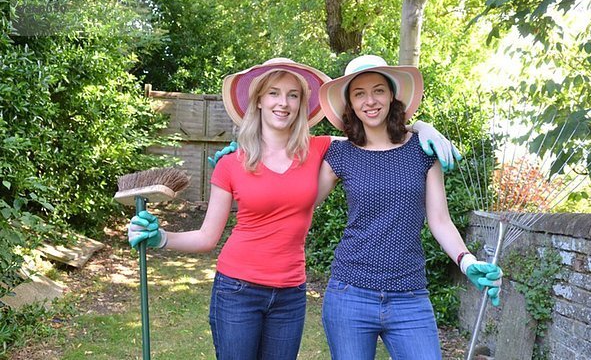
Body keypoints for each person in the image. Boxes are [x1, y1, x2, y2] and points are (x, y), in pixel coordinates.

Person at [127, 58, 460, 360]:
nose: (282, 103)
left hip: (290, 293)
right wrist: (161, 239)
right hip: (238, 289)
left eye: (292, 95)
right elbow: (206, 237)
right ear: (258, 100)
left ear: (302, 104)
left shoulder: (320, 149)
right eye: (273, 93)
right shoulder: (229, 163)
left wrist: (423, 128)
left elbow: (379, 137)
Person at [314, 55, 503, 360]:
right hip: (349, 294)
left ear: (392, 96)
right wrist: (246, 166)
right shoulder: (341, 155)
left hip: (409, 297)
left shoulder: (423, 149)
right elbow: (297, 203)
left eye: (378, 90)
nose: (370, 100)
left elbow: (440, 221)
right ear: (350, 103)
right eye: (359, 93)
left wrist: (466, 262)